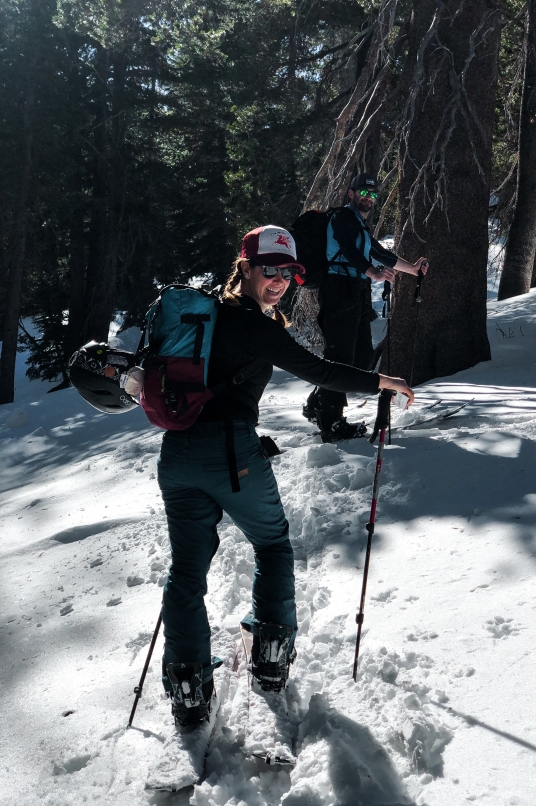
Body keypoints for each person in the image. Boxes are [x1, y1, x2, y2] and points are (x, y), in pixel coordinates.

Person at [154, 224, 415, 729]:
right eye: (270, 269)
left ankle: (187, 688)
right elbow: (320, 371)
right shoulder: (255, 325)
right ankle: (271, 659)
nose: (280, 281)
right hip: (232, 454)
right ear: (246, 267)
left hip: (178, 457)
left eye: (291, 272)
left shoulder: (200, 317)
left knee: (186, 571)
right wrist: (382, 380)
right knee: (272, 544)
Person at [304, 172, 429, 443]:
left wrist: (413, 269)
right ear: (351, 194)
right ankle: (332, 422)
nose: (368, 198)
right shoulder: (341, 218)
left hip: (356, 292)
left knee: (360, 359)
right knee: (339, 357)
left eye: (373, 195)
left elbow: (380, 253)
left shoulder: (360, 225)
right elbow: (349, 250)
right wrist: (372, 272)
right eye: (364, 192)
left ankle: (317, 403)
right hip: (337, 289)